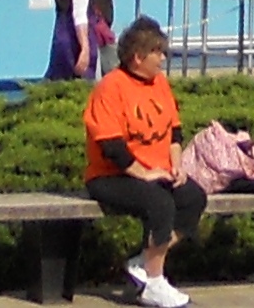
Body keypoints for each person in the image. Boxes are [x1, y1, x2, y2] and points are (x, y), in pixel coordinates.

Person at [85, 17, 204, 308]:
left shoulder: (159, 84)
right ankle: (155, 281)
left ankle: (143, 263)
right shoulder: (111, 88)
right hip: (111, 175)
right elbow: (111, 146)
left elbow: (174, 131)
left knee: (193, 198)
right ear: (138, 57)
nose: (163, 59)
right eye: (158, 53)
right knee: (159, 203)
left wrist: (177, 165)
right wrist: (144, 173)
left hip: (157, 170)